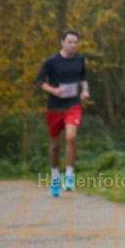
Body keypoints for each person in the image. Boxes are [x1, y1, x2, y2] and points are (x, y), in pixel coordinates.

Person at [34, 30, 89, 197]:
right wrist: (53, 90)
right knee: (55, 146)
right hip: (55, 106)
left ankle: (70, 176)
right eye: (70, 42)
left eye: (75, 42)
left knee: (71, 137)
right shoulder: (52, 61)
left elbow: (83, 76)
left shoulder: (79, 59)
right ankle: (55, 176)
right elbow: (38, 81)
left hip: (73, 104)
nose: (73, 45)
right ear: (62, 42)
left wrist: (85, 90)